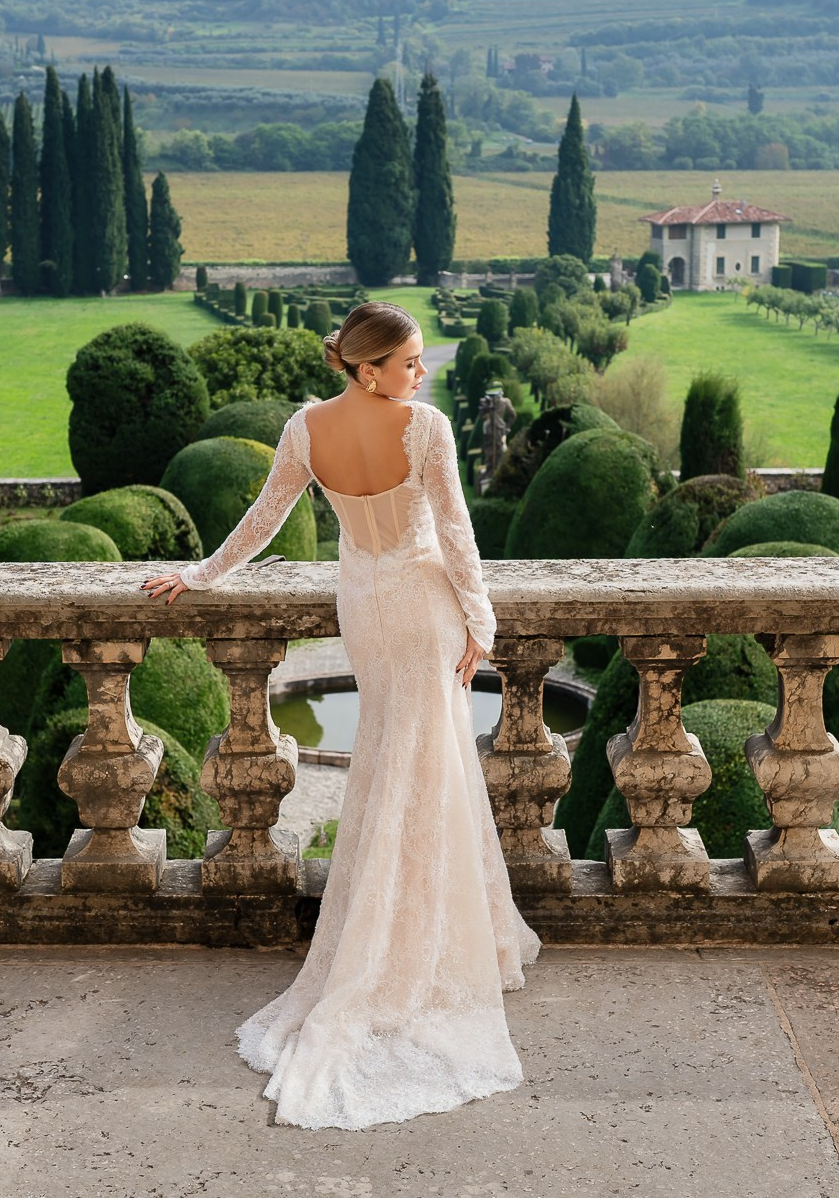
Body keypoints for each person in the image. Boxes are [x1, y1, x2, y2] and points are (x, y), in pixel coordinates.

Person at [141, 300, 542, 1129]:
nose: (420, 373)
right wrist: (484, 621)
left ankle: (391, 935)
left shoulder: (306, 426)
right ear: (368, 367)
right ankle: (422, 945)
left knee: (391, 762)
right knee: (427, 767)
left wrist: (205, 573)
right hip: (423, 605)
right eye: (407, 362)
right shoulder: (424, 429)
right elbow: (459, 532)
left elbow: (267, 515)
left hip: (363, 605)